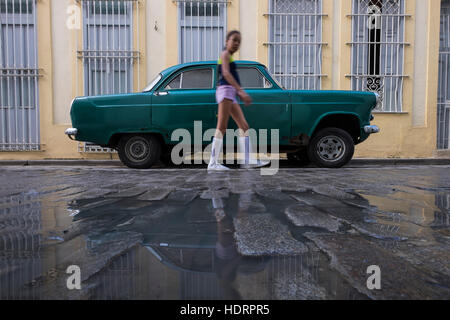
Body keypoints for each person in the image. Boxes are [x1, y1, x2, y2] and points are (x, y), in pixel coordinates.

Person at [208, 30, 270, 171]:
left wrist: (237, 91)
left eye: (239, 41)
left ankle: (248, 161)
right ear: (226, 42)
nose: (236, 43)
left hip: (230, 93)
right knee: (221, 127)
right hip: (225, 92)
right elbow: (226, 73)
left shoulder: (229, 57)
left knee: (244, 126)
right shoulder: (224, 54)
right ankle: (212, 163)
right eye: (234, 40)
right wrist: (240, 91)